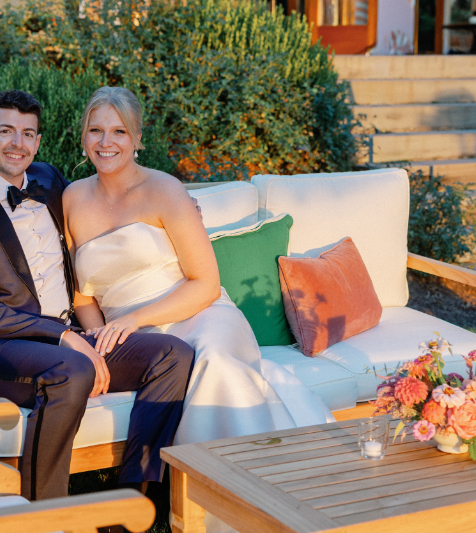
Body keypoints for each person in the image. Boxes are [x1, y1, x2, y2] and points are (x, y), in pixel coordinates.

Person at [63, 87, 334, 502]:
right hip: (131, 336)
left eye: (119, 131)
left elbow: (205, 283)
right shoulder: (72, 199)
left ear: (137, 138)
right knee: (179, 361)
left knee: (214, 361)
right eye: (95, 130)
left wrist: (131, 321)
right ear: (83, 137)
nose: (106, 142)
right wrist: (101, 342)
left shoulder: (165, 191)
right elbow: (83, 296)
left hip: (199, 313)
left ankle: (246, 497)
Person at [0, 90, 195, 502]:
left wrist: (182, 205)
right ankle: (44, 515)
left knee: (172, 355)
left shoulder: (50, 181)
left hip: (69, 337)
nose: (18, 143)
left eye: (28, 134)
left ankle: (127, 506)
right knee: (71, 370)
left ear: (37, 142)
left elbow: (104, 204)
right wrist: (63, 337)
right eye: (6, 131)